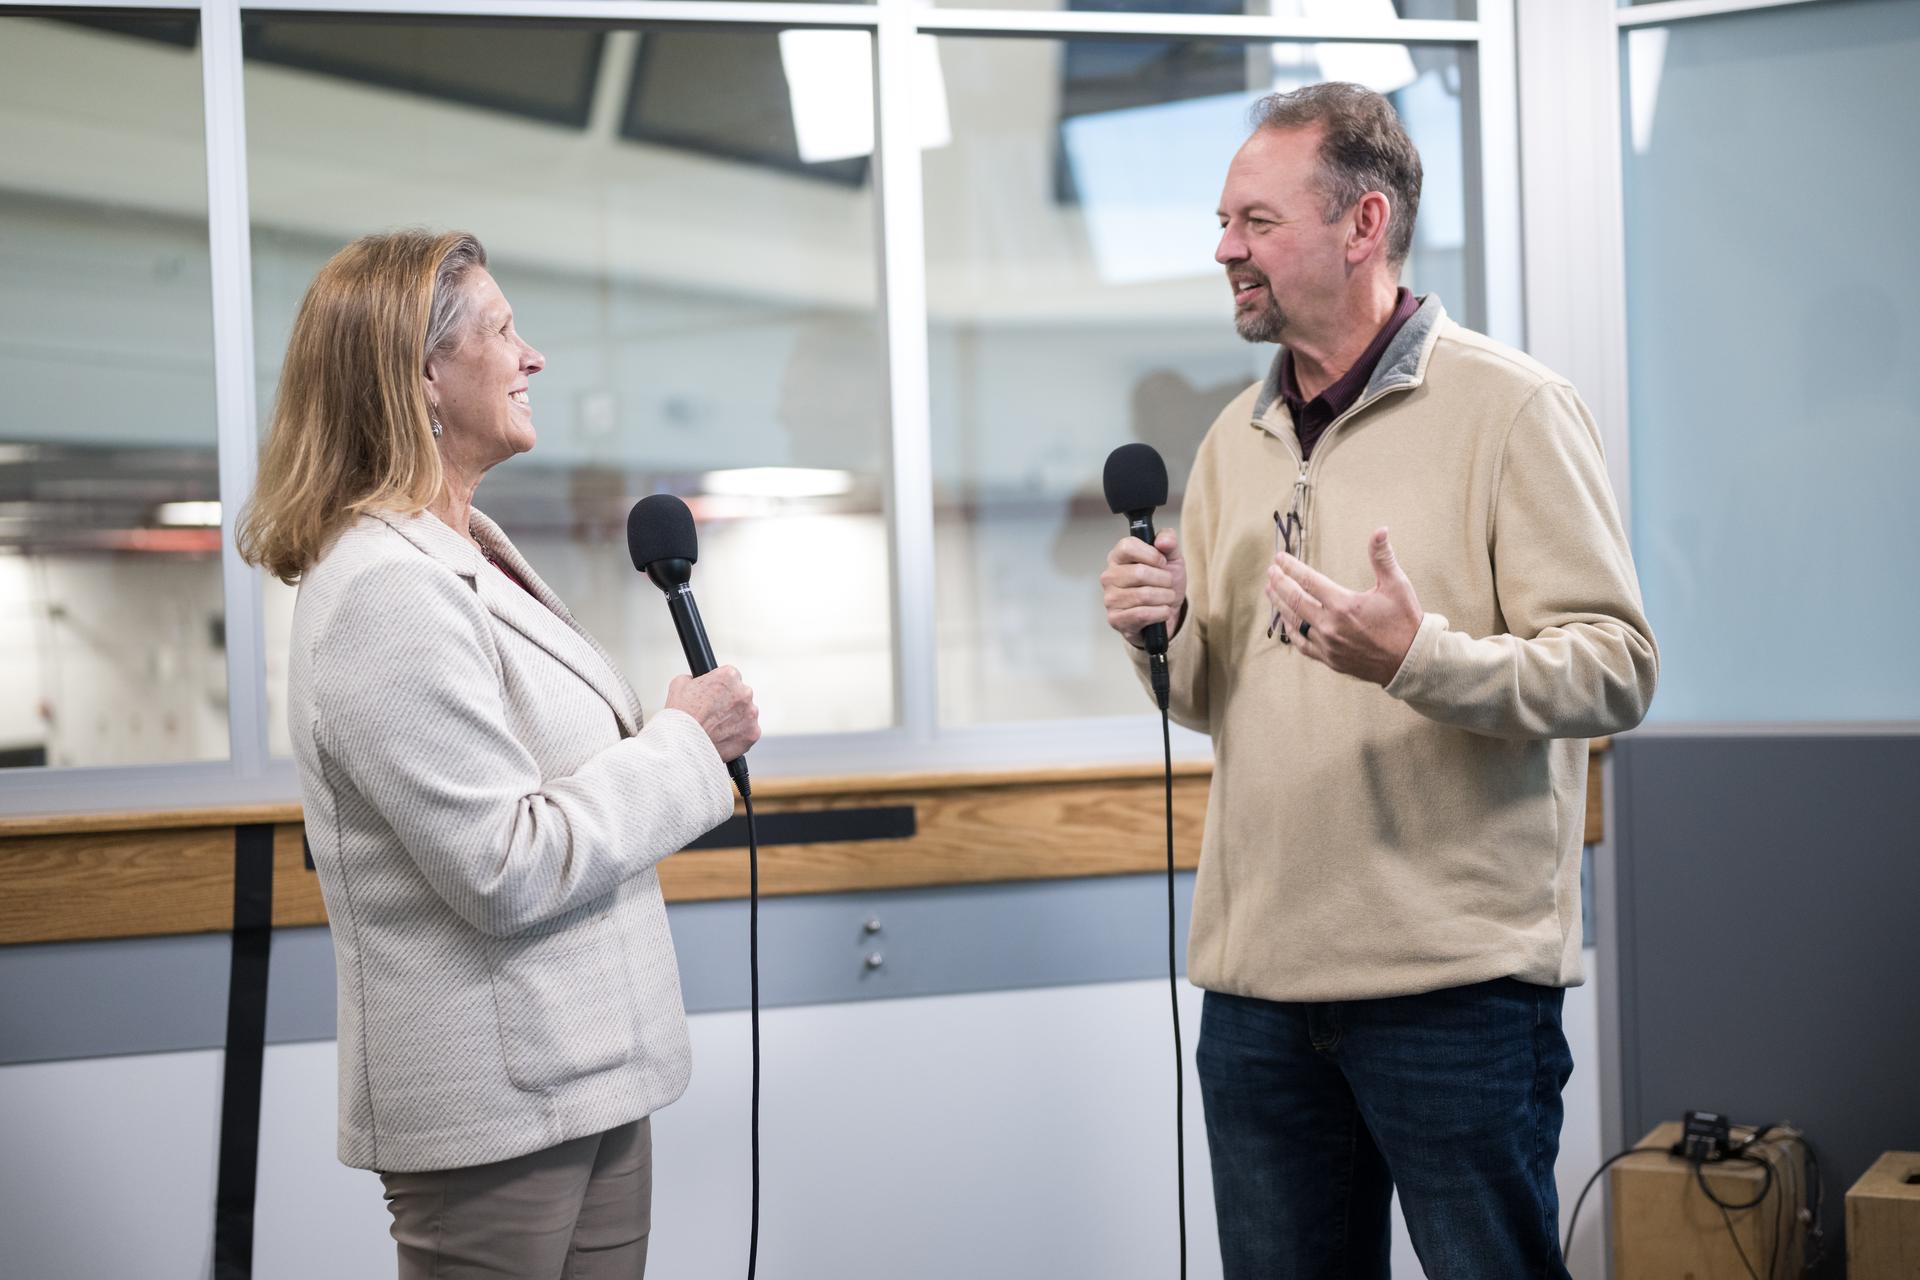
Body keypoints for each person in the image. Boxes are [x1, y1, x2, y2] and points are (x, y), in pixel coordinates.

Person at [1100, 83, 1657, 1279]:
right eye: (1222, 221)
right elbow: (1213, 695)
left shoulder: (1512, 409)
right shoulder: (1227, 443)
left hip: (1453, 993)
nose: (1224, 250)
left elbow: (1617, 667)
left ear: (1363, 225)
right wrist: (1162, 632)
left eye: (1254, 220)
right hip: (1257, 994)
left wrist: (1419, 658)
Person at [238, 230, 759, 1277]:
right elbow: (502, 863)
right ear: (422, 375)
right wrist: (684, 745)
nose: (534, 357)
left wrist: (674, 749)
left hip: (588, 1076)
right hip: (494, 1108)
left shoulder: (465, 550)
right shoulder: (382, 591)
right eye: (504, 330)